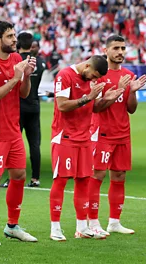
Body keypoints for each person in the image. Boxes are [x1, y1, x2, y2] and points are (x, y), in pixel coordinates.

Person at [48, 55, 125, 241]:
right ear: (87, 65)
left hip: (84, 137)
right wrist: (88, 97)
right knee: (61, 180)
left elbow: (95, 108)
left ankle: (82, 227)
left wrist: (108, 99)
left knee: (83, 180)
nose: (93, 79)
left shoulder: (93, 81)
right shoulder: (65, 75)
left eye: (96, 78)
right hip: (64, 136)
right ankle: (55, 228)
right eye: (93, 75)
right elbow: (62, 105)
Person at [0, 21, 38, 246]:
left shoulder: (16, 60)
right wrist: (14, 77)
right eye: (10, 36)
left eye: (14, 35)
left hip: (12, 129)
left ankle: (12, 226)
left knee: (19, 175)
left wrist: (26, 75)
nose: (15, 40)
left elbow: (22, 93)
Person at [88, 35, 146, 236]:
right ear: (106, 50)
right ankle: (93, 222)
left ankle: (114, 221)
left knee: (119, 176)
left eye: (123, 48)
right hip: (102, 133)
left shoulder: (129, 74)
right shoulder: (99, 75)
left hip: (123, 134)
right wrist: (115, 93)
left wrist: (131, 92)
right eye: (116, 48)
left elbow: (131, 109)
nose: (120, 52)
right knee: (98, 175)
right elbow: (95, 108)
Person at [14, 34, 46, 187]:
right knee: (34, 143)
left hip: (18, 105)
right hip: (34, 104)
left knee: (15, 143)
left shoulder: (15, 60)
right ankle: (35, 178)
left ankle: (13, 177)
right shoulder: (39, 62)